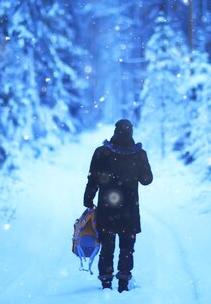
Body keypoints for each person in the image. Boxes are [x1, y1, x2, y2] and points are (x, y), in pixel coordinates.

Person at [83, 119, 153, 292]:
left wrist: (88, 198)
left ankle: (106, 282)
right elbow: (147, 180)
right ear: (131, 132)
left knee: (107, 247)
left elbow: (93, 179)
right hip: (129, 209)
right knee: (127, 249)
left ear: (115, 131)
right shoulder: (139, 154)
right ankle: (123, 281)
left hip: (107, 209)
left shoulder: (101, 152)